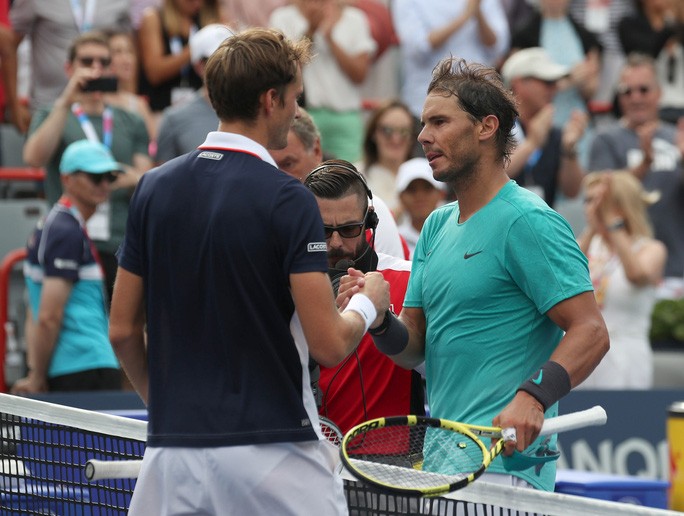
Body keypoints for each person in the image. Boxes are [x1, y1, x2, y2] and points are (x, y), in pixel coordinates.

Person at [109, 28, 389, 515]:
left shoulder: (152, 188)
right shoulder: (290, 199)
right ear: (271, 99)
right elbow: (328, 343)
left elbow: (121, 331)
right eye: (295, 99)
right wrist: (370, 304)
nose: (298, 111)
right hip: (276, 458)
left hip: (172, 457)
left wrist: (173, 411)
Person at [343, 56, 609, 491]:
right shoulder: (435, 226)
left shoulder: (529, 221)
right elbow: (414, 348)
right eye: (424, 123)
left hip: (507, 472)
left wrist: (533, 396)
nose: (423, 136)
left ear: (486, 127)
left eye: (440, 122)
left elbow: (592, 331)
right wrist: (379, 318)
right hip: (442, 466)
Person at [22, 31, 152, 305]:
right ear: (69, 68)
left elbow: (146, 178)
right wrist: (66, 100)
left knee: (118, 333)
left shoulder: (130, 119)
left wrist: (121, 178)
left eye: (104, 62)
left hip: (119, 243)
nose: (96, 68)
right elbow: (34, 157)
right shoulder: (53, 114)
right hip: (68, 237)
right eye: (87, 61)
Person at [303, 159, 422, 433]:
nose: (335, 243)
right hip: (312, 456)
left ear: (370, 221)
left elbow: (439, 364)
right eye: (321, 231)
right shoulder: (283, 285)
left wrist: (383, 320)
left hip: (393, 463)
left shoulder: (409, 277)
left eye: (348, 229)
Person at [12, 140, 122, 394]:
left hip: (81, 365)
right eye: (96, 177)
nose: (105, 185)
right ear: (67, 179)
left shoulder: (62, 226)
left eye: (110, 177)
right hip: (80, 368)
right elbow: (48, 315)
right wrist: (37, 376)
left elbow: (36, 308)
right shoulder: (65, 230)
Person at [587, 52, 684, 298]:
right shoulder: (606, 139)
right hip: (621, 269)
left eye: (643, 89)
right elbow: (601, 197)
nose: (636, 97)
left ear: (659, 92)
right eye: (627, 91)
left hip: (676, 271)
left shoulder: (677, 137)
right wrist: (644, 165)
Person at [270, 106, 408, 260]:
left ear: (316, 150)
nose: (278, 176)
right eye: (268, 166)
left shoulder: (373, 211)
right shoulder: (261, 218)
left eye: (349, 229)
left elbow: (392, 280)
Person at [577, 171, 666, 389]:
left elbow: (636, 275)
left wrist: (612, 224)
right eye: (588, 200)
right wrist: (592, 227)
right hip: (581, 354)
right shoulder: (587, 244)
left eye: (598, 201)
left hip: (626, 356)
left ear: (621, 205)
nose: (592, 207)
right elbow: (563, 273)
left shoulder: (650, 248)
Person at [269, 0, 377, 162]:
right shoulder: (282, 18)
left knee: (349, 179)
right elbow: (284, 72)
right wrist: (311, 30)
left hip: (346, 116)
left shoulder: (355, 19)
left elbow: (360, 74)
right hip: (301, 114)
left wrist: (329, 38)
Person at [510, 0, 602, 162]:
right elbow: (514, 80)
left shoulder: (585, 35)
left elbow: (592, 88)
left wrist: (584, 80)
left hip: (576, 118)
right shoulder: (524, 33)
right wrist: (569, 81)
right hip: (538, 123)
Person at [6, 0, 131, 119]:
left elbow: (128, 49)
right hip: (48, 106)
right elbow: (9, 43)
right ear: (68, 67)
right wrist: (14, 106)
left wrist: (128, 100)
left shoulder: (120, 2)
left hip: (103, 111)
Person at [391, 0, 510, 120]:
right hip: (426, 103)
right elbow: (419, 46)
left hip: (478, 103)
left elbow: (499, 46)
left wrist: (477, 13)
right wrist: (465, 16)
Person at [501, 47, 588, 207]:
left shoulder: (554, 134)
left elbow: (572, 191)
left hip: (539, 228)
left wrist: (569, 149)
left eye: (555, 83)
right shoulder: (494, 129)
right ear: (518, 83)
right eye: (547, 82)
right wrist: (532, 144)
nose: (554, 89)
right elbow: (488, 178)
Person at [155, 23, 232, 164]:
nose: (228, 67)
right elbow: (163, 178)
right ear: (199, 66)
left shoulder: (258, 109)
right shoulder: (174, 119)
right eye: (217, 61)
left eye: (233, 59)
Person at [137, 0, 222, 115]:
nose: (198, 3)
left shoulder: (210, 16)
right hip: (162, 109)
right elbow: (154, 72)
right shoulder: (153, 18)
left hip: (203, 110)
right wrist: (197, 47)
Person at [618, 0, 684, 124]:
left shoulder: (680, 27)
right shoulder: (630, 24)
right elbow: (644, 54)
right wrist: (670, 24)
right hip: (649, 105)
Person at [359, 99, 419, 215]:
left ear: (412, 137)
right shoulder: (357, 178)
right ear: (373, 133)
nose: (395, 139)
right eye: (387, 130)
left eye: (404, 131)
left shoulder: (426, 174)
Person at [104, 30, 157, 143]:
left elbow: (154, 146)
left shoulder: (139, 104)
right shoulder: (94, 101)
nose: (126, 59)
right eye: (117, 52)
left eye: (130, 51)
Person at [394, 157, 446, 259]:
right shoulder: (394, 240)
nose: (419, 196)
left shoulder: (455, 234)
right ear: (400, 197)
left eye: (427, 188)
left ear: (441, 194)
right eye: (411, 190)